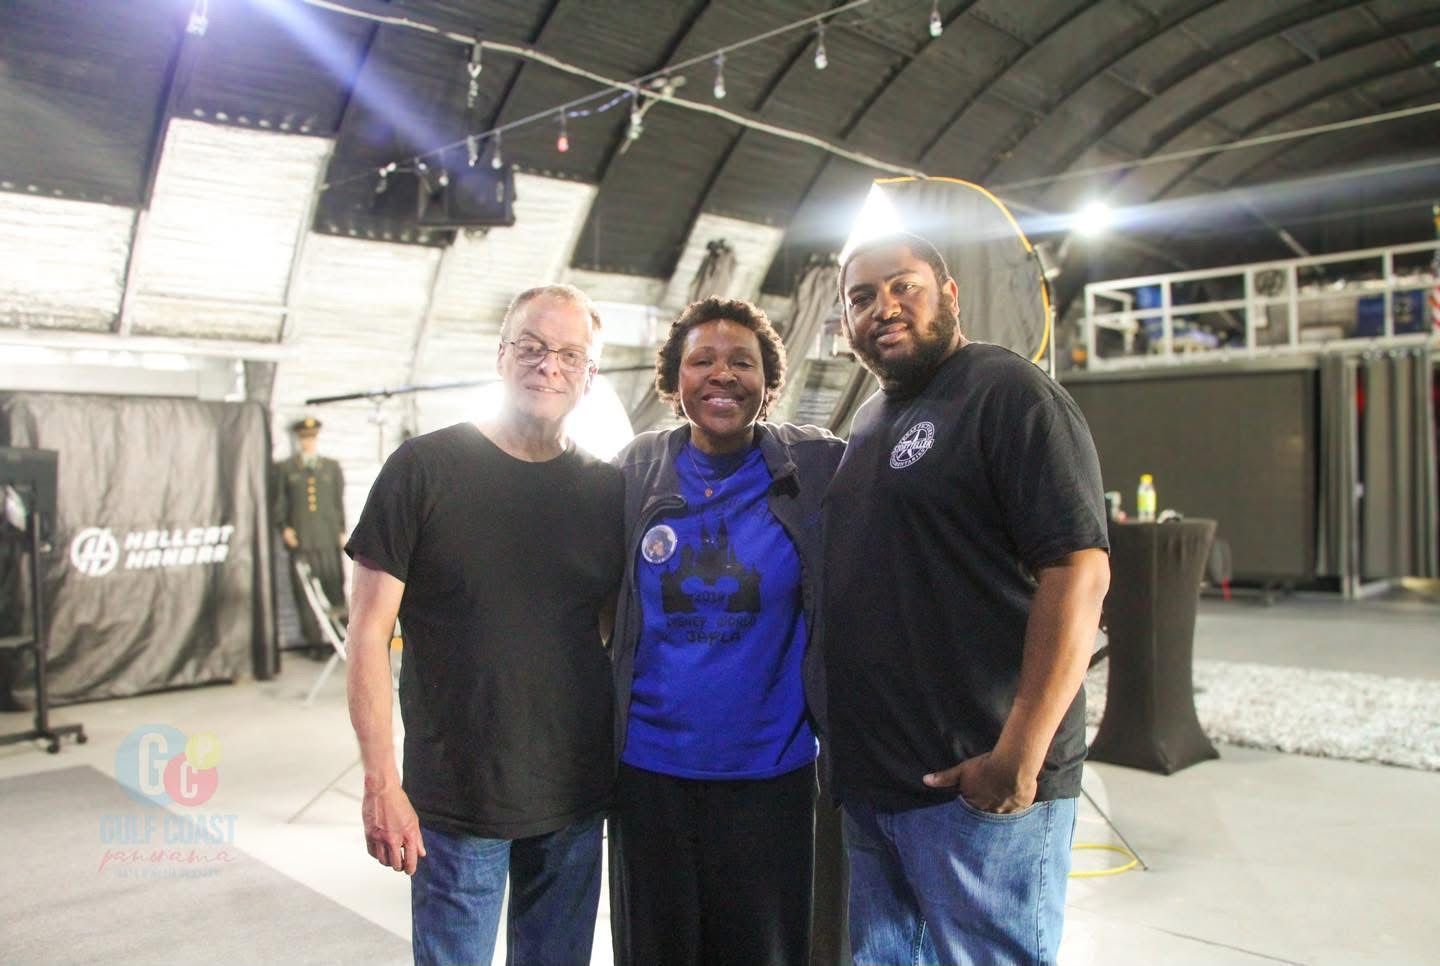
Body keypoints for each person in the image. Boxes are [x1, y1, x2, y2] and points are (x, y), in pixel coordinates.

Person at [823, 233, 1111, 965]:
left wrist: (1019, 754)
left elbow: (1078, 572)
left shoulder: (1007, 393)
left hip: (976, 789)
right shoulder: (871, 420)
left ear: (949, 295)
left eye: (904, 286)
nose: (884, 307)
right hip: (881, 788)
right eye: (862, 297)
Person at [343, 284, 624, 966]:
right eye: (531, 346)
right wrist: (381, 783)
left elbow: (610, 635)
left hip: (574, 797)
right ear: (501, 356)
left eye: (569, 354)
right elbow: (368, 636)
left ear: (589, 376)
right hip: (457, 799)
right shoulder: (423, 469)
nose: (548, 365)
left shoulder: (607, 490)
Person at [609, 296, 847, 965]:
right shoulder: (635, 472)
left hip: (771, 776)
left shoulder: (813, 468)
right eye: (702, 360)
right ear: (674, 378)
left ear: (769, 383)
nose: (722, 374)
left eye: (742, 362)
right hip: (650, 774)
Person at [274, 416, 346, 653]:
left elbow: (337, 503)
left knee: (334, 587)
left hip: (328, 537)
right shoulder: (287, 469)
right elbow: (280, 503)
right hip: (302, 539)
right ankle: (314, 642)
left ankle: (344, 638)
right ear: (298, 439)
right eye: (304, 438)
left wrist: (342, 531)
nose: (308, 442)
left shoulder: (331, 467)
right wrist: (284, 528)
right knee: (305, 593)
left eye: (312, 437)